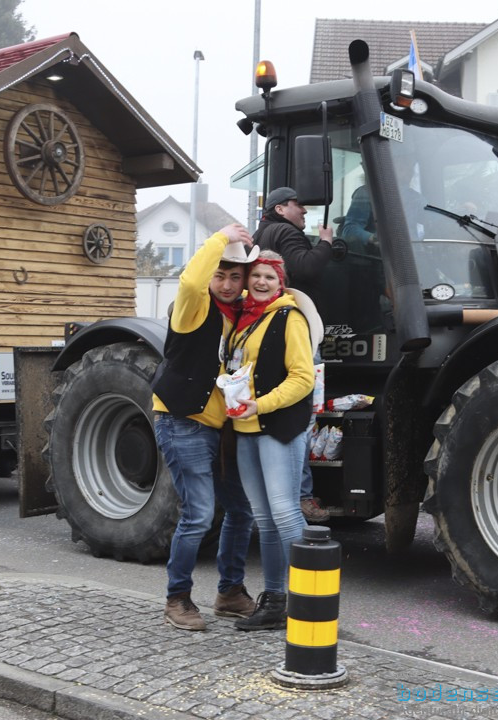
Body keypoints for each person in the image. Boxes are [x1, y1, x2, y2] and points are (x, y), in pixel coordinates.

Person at [151, 223, 260, 630]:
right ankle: (176, 598)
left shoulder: (240, 313)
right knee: (198, 514)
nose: (228, 284)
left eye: (235, 276)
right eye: (221, 274)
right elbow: (191, 279)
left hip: (222, 426)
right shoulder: (193, 305)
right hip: (183, 420)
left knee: (240, 508)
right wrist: (218, 238)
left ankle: (230, 593)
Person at [226, 250, 320, 630]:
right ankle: (276, 600)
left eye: (269, 276)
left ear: (280, 282)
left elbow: (302, 378)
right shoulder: (245, 319)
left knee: (284, 513)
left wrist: (259, 405)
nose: (261, 282)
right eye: (256, 276)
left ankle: (309, 598)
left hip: (277, 425)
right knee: (264, 519)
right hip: (246, 427)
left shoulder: (288, 317)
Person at [254, 187, 332, 523]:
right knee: (303, 418)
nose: (304, 213)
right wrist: (326, 242)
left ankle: (275, 494)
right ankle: (299, 498)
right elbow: (305, 268)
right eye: (299, 206)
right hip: (298, 331)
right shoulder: (286, 231)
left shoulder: (262, 234)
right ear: (282, 208)